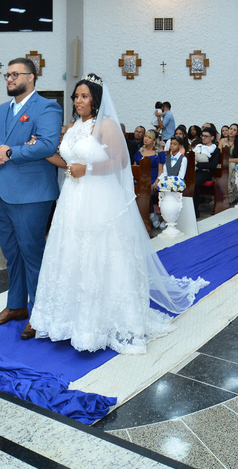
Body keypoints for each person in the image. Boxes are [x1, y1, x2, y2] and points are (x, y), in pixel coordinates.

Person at [31, 75, 207, 353]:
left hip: (99, 195)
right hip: (73, 198)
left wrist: (86, 170)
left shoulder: (107, 126)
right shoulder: (75, 126)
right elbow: (67, 162)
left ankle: (103, 321)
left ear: (96, 99)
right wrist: (41, 152)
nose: (79, 101)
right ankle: (70, 319)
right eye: (76, 96)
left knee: (101, 252)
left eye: (85, 96)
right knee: (71, 252)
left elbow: (120, 162)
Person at [0, 57, 63, 339]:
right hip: (2, 191)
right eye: (7, 75)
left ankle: (40, 312)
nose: (10, 79)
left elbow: (48, 144)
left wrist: (11, 152)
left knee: (32, 254)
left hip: (32, 194)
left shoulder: (48, 107)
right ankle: (15, 306)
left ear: (32, 77)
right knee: (11, 254)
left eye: (16, 75)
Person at [192, 127, 221, 211]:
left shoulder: (215, 150)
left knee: (194, 183)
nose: (203, 138)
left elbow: (212, 165)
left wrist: (197, 164)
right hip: (194, 170)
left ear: (212, 137)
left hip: (205, 173)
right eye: (202, 136)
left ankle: (195, 209)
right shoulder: (198, 147)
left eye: (206, 136)